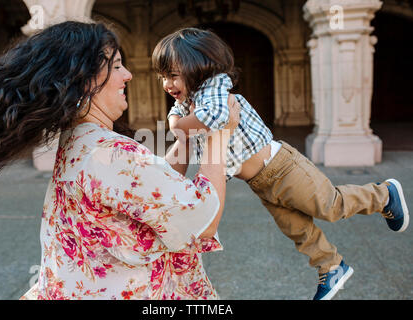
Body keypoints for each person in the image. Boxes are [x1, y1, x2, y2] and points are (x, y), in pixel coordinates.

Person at [0, 21, 241, 300]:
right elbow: (204, 222)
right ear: (85, 79)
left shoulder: (79, 140)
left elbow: (154, 187)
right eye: (117, 65)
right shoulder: (110, 154)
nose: (129, 75)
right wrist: (220, 132)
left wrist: (186, 140)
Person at [151, 27, 410, 300]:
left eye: (172, 75)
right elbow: (175, 119)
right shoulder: (188, 101)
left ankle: (384, 195)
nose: (167, 85)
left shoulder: (214, 88)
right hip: (261, 181)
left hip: (283, 167)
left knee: (330, 205)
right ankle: (331, 266)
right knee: (297, 229)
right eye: (162, 77)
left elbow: (212, 117)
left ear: (199, 68)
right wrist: (178, 123)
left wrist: (179, 125)